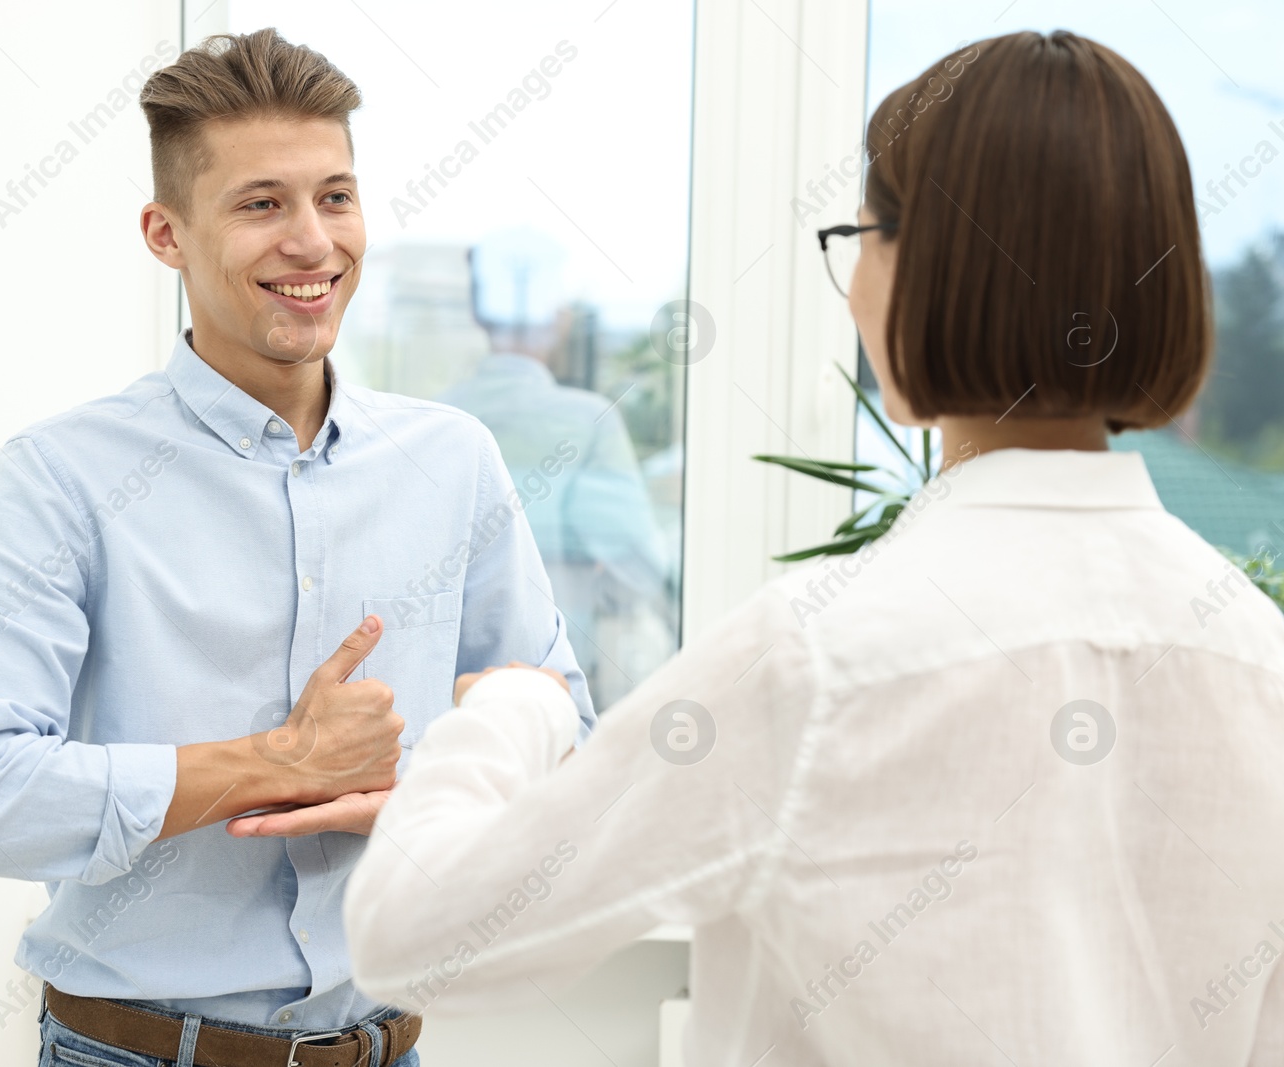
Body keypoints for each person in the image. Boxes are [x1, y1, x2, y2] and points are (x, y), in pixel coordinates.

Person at [344, 30, 1284, 1066]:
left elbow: (417, 936)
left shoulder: (816, 660)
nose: (852, 285)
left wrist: (511, 711)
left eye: (862, 236)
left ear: (927, 268)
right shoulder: (1258, 659)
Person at [0, 29, 594, 1067]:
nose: (314, 242)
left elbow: (562, 739)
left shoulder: (452, 460)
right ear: (165, 232)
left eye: (335, 196)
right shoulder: (61, 477)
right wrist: (273, 763)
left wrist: (422, 796)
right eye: (259, 203)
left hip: (384, 1045)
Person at [439, 228, 673, 709]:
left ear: (478, 314)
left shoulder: (434, 421)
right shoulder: (590, 422)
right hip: (556, 693)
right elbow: (642, 569)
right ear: (560, 320)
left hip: (449, 700)